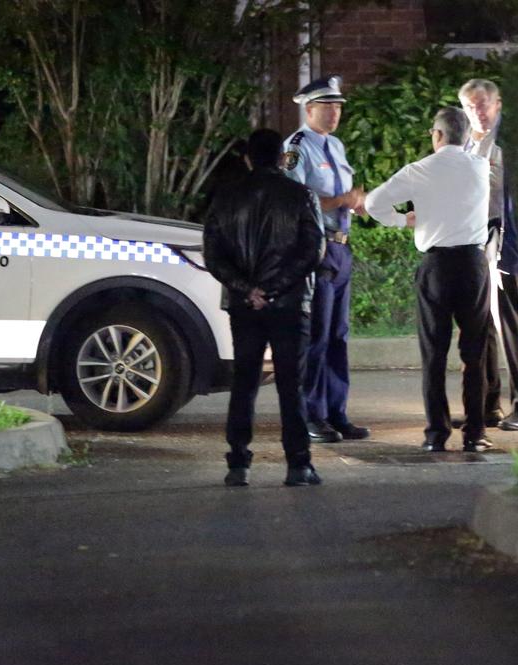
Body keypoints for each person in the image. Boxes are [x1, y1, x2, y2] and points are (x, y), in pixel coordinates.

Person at [364, 107, 493, 452]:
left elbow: (374, 203)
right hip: (473, 263)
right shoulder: (479, 166)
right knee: (475, 353)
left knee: (433, 354)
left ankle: (436, 434)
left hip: (436, 265)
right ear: (465, 136)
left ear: (436, 135)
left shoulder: (418, 170)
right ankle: (475, 432)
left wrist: (402, 220)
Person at [203, 128, 324, 487]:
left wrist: (248, 289)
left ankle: (238, 462)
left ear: (248, 158)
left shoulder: (225, 198)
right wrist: (273, 289)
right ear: (281, 158)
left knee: (245, 381)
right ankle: (298, 464)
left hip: (244, 305)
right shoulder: (301, 195)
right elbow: (313, 251)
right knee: (292, 383)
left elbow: (214, 256)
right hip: (289, 302)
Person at [282, 75, 370, 444]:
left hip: (341, 247)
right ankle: (311, 414)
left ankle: (336, 411)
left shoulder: (335, 145)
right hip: (315, 249)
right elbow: (292, 201)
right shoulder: (298, 147)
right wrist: (342, 202)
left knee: (338, 336)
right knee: (316, 335)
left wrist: (360, 205)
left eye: (338, 106)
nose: (335, 113)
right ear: (309, 108)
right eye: (327, 106)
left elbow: (343, 195)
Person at [459, 78, 518, 431]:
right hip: (476, 243)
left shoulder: (511, 144)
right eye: (471, 106)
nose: (478, 111)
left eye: (483, 104)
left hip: (508, 242)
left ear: (498, 104)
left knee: (510, 323)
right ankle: (488, 404)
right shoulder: (466, 144)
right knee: (480, 324)